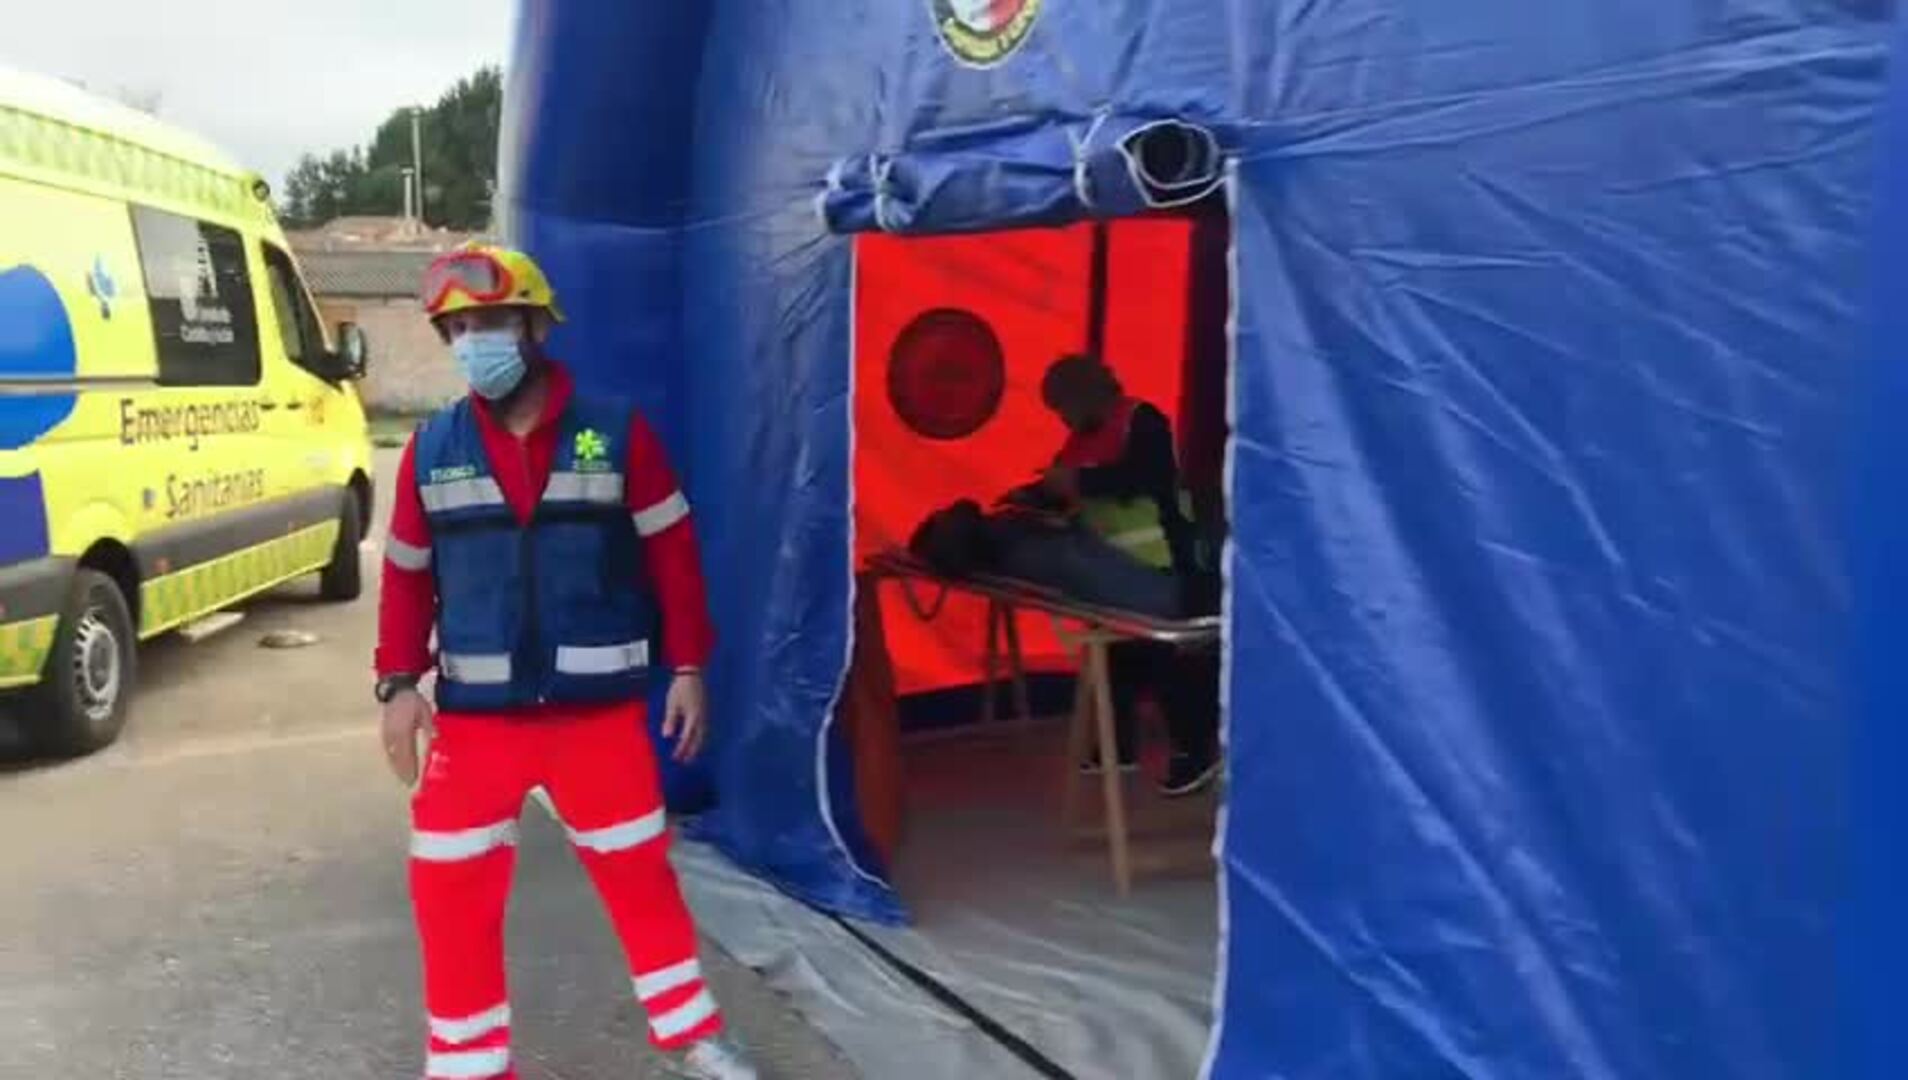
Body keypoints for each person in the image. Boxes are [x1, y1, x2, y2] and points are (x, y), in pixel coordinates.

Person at [372, 243, 757, 1080]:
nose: (475, 340)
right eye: (459, 327)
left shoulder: (616, 433)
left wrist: (688, 666)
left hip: (598, 717)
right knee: (448, 890)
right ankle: (470, 1065)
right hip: (476, 724)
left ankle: (692, 1038)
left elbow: (674, 556)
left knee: (638, 877)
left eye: (491, 322)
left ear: (536, 325)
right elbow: (405, 579)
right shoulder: (430, 451)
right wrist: (398, 685)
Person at [1040, 353, 1221, 798]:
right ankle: (1116, 745)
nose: (1062, 419)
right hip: (1113, 569)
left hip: (1165, 563)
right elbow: (1073, 487)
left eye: (1063, 407)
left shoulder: (1141, 422)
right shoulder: (1080, 440)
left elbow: (1145, 477)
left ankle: (1197, 750)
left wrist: (1080, 484)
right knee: (1116, 655)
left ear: (1084, 396)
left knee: (1163, 657)